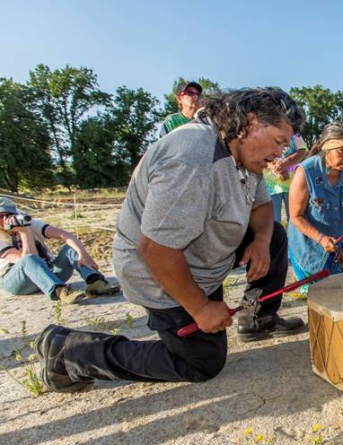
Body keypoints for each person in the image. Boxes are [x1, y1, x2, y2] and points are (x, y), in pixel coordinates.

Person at [35, 88, 306, 393]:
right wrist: (201, 308)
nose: (280, 154)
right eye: (279, 141)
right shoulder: (192, 157)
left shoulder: (242, 152)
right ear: (250, 122)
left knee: (274, 237)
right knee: (201, 362)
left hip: (202, 255)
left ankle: (257, 319)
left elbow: (261, 205)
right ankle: (70, 352)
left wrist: (261, 240)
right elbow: (156, 248)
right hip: (159, 270)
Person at [287, 122, 343, 296]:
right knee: (318, 297)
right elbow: (296, 216)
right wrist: (320, 238)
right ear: (326, 149)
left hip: (339, 247)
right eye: (341, 152)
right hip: (308, 248)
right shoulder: (306, 171)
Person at [0, 197, 119, 304]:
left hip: (47, 273)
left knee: (70, 248)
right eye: (0, 216)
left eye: (9, 215)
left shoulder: (30, 224)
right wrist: (24, 232)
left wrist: (82, 253)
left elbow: (65, 235)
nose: (5, 220)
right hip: (19, 282)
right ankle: (61, 291)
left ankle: (95, 281)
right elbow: (28, 259)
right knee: (29, 259)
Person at [264, 133, 309, 223]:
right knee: (272, 221)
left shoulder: (296, 134)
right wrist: (275, 166)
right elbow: (259, 153)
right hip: (271, 185)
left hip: (293, 183)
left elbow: (302, 150)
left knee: (294, 219)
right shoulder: (265, 129)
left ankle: (292, 237)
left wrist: (285, 164)